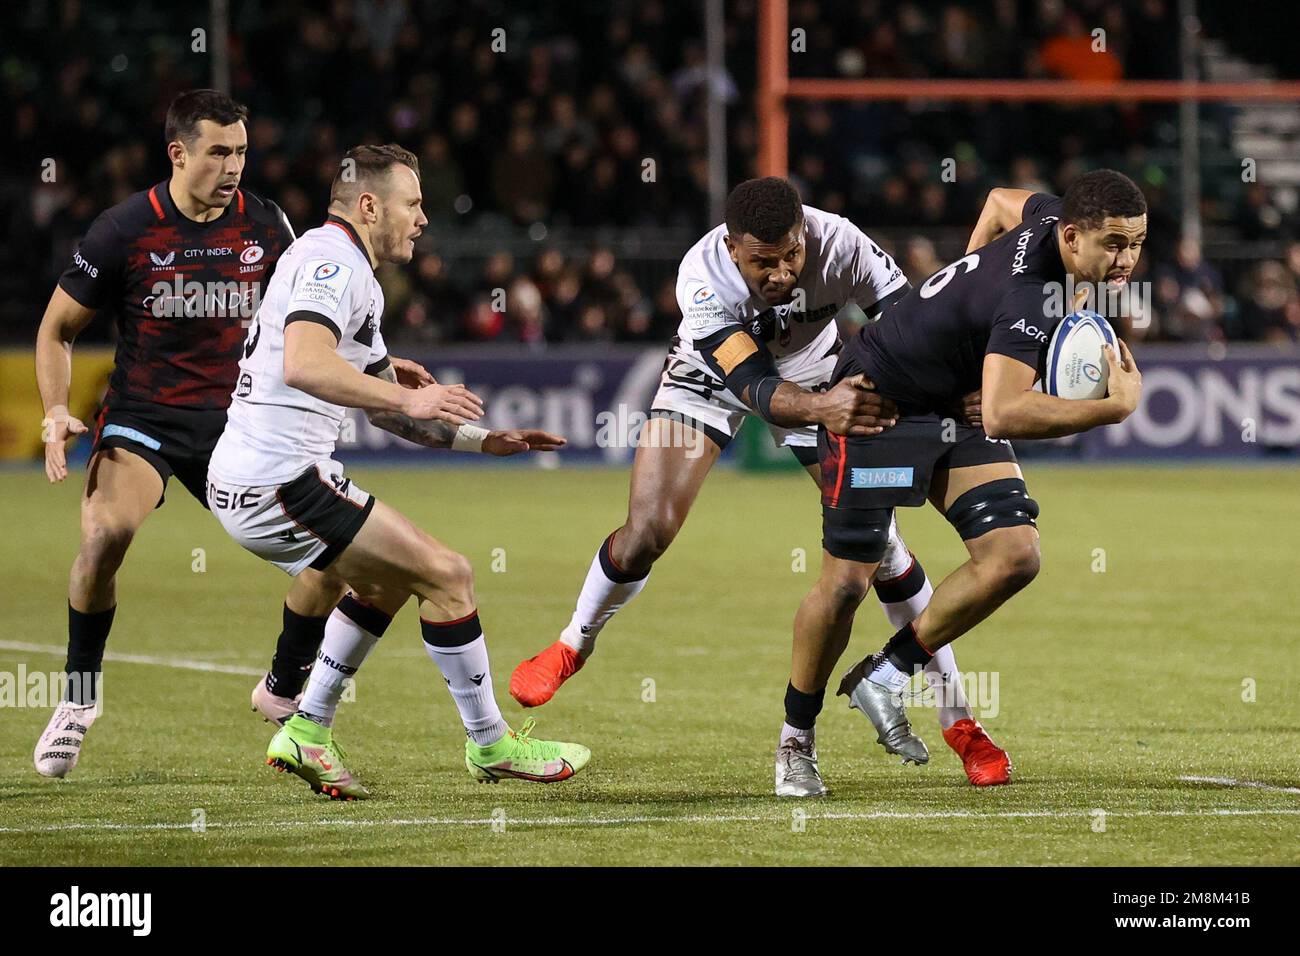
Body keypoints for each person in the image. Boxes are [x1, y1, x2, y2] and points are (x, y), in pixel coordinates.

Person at [510, 177, 1010, 794]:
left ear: (805, 235)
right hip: (713, 380)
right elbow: (753, 387)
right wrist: (825, 408)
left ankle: (958, 720)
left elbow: (913, 324)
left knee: (882, 551)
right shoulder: (701, 276)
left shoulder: (840, 242)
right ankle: (572, 643)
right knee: (647, 532)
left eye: (792, 255)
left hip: (821, 372)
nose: (781, 272)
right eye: (762, 262)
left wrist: (954, 388)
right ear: (730, 247)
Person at [207, 144, 589, 799]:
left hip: (264, 477)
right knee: (450, 575)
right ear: (368, 205)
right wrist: (408, 396)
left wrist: (483, 441)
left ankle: (307, 730)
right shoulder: (334, 262)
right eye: (412, 204)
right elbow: (305, 363)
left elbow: (395, 416)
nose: (423, 219)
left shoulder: (344, 267)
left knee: (383, 584)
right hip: (279, 479)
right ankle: (492, 745)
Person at [31, 90, 375, 777]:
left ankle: (281, 689)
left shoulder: (266, 224)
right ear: (178, 153)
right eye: (218, 151)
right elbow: (57, 329)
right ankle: (77, 697)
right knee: (104, 535)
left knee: (339, 564)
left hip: (242, 423)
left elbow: (309, 313)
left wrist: (380, 363)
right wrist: (55, 409)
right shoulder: (124, 230)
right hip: (145, 420)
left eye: (242, 151)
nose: (233, 165)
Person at [792, 171, 1145, 780]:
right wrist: (1113, 408)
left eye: (1136, 243)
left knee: (1014, 555)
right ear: (1071, 235)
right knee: (846, 586)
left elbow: (1000, 200)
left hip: (952, 401)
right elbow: (1008, 411)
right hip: (878, 399)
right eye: (1113, 244)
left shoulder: (1053, 221)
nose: (1126, 259)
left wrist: (967, 294)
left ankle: (885, 674)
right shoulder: (1033, 295)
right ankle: (795, 739)